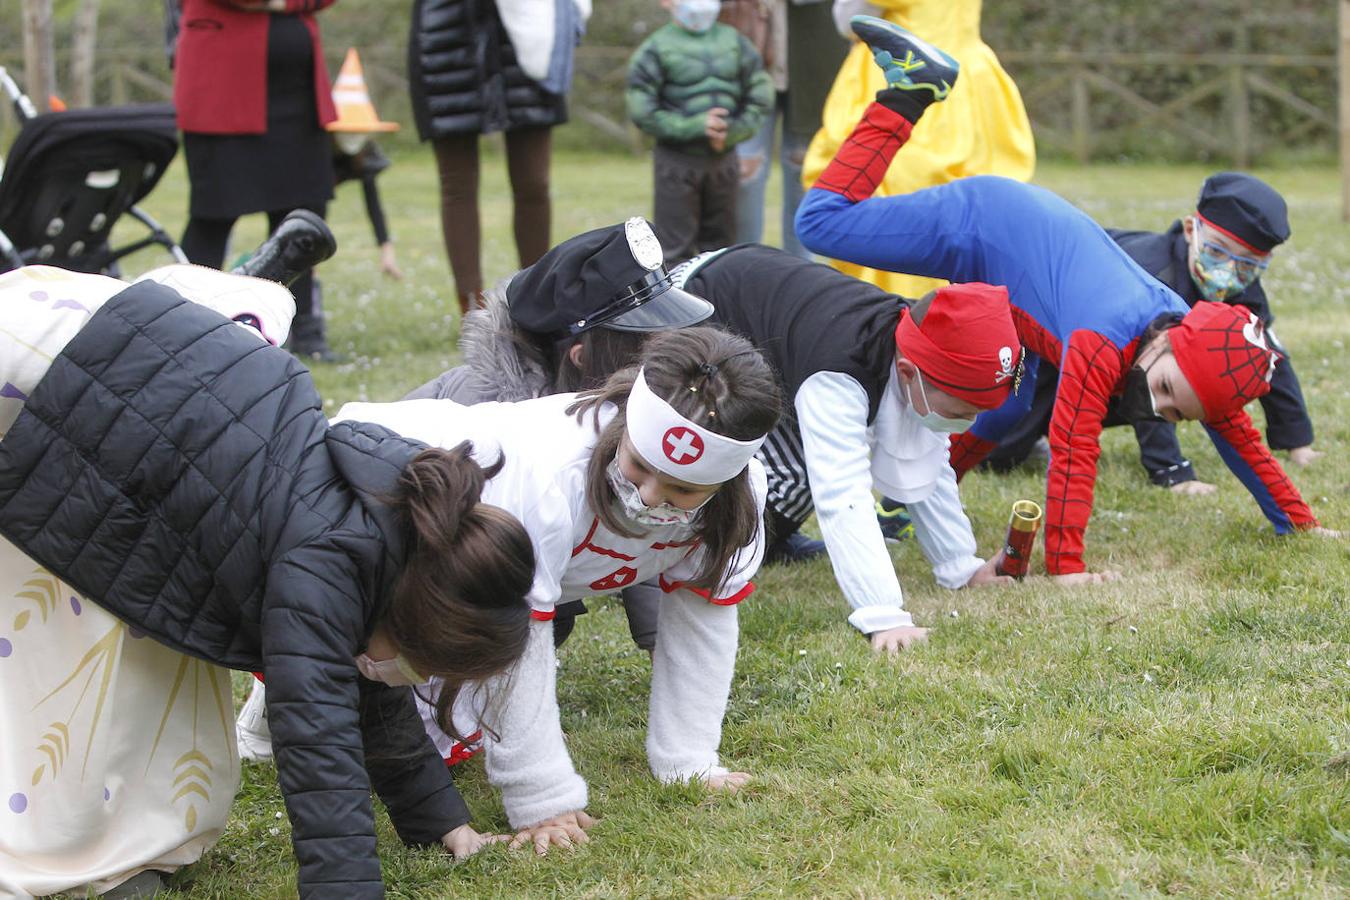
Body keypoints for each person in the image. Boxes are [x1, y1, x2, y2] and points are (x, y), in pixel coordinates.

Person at [0, 264, 537, 898]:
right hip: (41, 371)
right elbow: (320, 750)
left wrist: (446, 829)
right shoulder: (325, 561)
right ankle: (70, 847)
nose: (412, 681)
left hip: (83, 331)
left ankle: (117, 839)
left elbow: (369, 700)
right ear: (417, 618)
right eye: (422, 666)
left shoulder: (387, 532)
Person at [794, 17, 1338, 583]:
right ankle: (909, 90)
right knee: (820, 225)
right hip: (981, 224)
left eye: (1177, 412)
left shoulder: (1182, 344)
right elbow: (1073, 449)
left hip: (1024, 292)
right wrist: (1067, 568)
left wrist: (1297, 522)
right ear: (1170, 343)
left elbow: (1243, 442)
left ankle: (915, 497)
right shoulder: (1103, 340)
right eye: (1168, 392)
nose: (1160, 409)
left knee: (1001, 404)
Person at [233, 218, 718, 761]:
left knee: (533, 616)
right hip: (392, 569)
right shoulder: (489, 417)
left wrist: (660, 640)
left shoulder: (622, 420)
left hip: (482, 575)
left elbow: (640, 524)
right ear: (583, 355)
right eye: (647, 347)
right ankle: (273, 701)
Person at [334, 326, 781, 853]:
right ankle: (270, 723)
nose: (647, 497)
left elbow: (701, 625)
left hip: (459, 561)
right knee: (359, 654)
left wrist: (690, 761)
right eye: (638, 466)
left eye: (682, 490)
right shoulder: (547, 471)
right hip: (376, 493)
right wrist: (543, 800)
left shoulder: (742, 499)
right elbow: (518, 636)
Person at [672, 246, 1019, 651]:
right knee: (775, 470)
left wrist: (961, 567)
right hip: (702, 310)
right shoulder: (840, 372)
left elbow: (927, 460)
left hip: (775, 333)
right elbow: (842, 491)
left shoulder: (924, 342)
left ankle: (770, 539)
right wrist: (883, 615)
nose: (968, 423)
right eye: (963, 410)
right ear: (909, 374)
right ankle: (673, 550)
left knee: (794, 474)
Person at [986, 172, 1322, 487]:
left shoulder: (1240, 289)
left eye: (1248, 265)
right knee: (998, 454)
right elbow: (1146, 378)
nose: (1230, 271)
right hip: (1046, 345)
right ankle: (1024, 428)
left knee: (1157, 377)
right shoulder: (1150, 274)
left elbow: (1268, 358)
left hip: (1108, 366)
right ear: (1191, 230)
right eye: (1218, 251)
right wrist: (1171, 470)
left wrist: (1297, 442)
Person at [173, 0, 341, 361]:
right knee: (213, 215)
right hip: (222, 81)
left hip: (296, 90)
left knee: (302, 213)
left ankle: (306, 329)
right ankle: (174, 326)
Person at [409, 0, 591, 314]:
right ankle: (471, 308)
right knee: (457, 186)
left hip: (529, 38)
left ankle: (537, 300)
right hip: (446, 36)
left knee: (534, 182)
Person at [625, 0, 774, 264]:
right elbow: (642, 111)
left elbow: (760, 95)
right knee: (673, 250)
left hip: (724, 161)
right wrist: (695, 127)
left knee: (722, 252)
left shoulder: (735, 42)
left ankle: (721, 304)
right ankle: (675, 305)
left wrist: (731, 133)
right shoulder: (655, 48)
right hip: (676, 163)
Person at [722, 0, 849, 257]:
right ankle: (742, 263)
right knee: (745, 172)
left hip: (815, 64)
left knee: (803, 172)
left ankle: (800, 273)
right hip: (747, 63)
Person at [327, 47, 404, 280]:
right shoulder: (317, 155)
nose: (352, 139)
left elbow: (373, 204)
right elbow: (312, 208)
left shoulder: (365, 156)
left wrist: (387, 252)